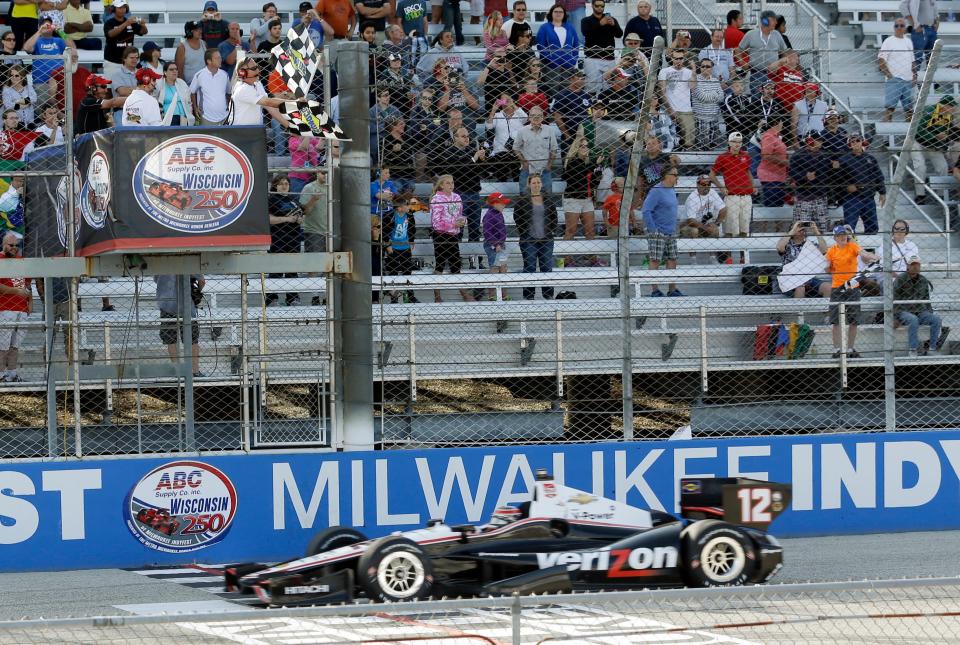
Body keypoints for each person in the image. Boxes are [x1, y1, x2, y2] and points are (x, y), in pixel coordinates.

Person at [826, 224, 878, 359]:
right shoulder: (831, 250)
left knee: (854, 320)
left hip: (852, 286)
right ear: (835, 237)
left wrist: (872, 256)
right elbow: (827, 268)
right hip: (837, 287)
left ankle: (850, 348)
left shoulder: (853, 246)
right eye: (839, 235)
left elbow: (863, 254)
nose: (843, 237)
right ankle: (837, 349)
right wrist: (828, 266)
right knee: (835, 321)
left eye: (844, 234)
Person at [429, 174, 474, 302]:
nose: (451, 185)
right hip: (440, 236)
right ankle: (437, 296)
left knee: (456, 265)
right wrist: (453, 224)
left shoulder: (457, 197)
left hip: (453, 235)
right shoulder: (436, 199)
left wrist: (461, 222)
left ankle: (464, 294)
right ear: (441, 185)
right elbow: (436, 223)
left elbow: (459, 215)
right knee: (440, 265)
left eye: (452, 182)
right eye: (448, 183)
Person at [514, 173, 558, 300]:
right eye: (534, 182)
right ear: (529, 184)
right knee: (530, 268)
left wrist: (552, 231)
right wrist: (524, 232)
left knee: (547, 268)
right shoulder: (522, 200)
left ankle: (548, 295)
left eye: (538, 182)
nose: (536, 185)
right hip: (529, 240)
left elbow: (553, 216)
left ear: (541, 184)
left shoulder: (548, 199)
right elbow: (517, 217)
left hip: (546, 239)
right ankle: (529, 296)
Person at [155, 273, 204, 377]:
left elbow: (156, 280)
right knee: (192, 339)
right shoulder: (190, 261)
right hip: (186, 306)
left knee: (171, 339)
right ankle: (195, 371)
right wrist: (197, 289)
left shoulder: (160, 263)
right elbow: (202, 281)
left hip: (166, 304)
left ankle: (178, 371)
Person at [642, 167, 682, 297]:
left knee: (672, 259)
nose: (677, 177)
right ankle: (655, 290)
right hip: (658, 231)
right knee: (655, 260)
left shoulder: (671, 190)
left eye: (677, 175)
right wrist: (653, 230)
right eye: (674, 174)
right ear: (666, 175)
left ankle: (672, 289)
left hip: (670, 231)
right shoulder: (656, 191)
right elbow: (646, 210)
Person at [894, 256, 944, 357]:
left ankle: (932, 348)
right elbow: (893, 298)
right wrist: (894, 316)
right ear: (908, 266)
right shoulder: (900, 279)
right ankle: (913, 349)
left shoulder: (923, 280)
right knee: (913, 320)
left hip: (920, 310)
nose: (915, 267)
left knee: (936, 319)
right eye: (913, 265)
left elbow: (926, 299)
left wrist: (930, 313)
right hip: (904, 310)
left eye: (917, 265)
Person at [442, 126, 485, 242]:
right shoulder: (449, 152)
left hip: (475, 193)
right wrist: (474, 159)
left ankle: (475, 258)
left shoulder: (471, 151)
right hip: (459, 195)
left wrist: (481, 160)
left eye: (468, 136)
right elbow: (459, 170)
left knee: (475, 230)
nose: (467, 139)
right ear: (455, 138)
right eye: (463, 136)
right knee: (457, 229)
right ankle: (458, 257)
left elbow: (480, 171)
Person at [266, 174, 303, 307]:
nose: (284, 186)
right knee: (276, 269)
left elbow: (301, 214)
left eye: (286, 183)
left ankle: (292, 298)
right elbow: (269, 219)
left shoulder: (293, 199)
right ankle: (271, 298)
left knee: (292, 269)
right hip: (278, 238)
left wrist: (299, 219)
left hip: (293, 238)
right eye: (281, 183)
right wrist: (287, 219)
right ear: (275, 186)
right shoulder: (271, 199)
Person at [838, 133, 885, 234]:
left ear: (862, 142)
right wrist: (846, 186)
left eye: (857, 141)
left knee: (873, 228)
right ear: (849, 144)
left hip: (868, 197)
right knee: (849, 228)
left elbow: (878, 176)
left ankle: (870, 250)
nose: (855, 143)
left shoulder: (871, 159)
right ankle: (850, 249)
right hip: (851, 198)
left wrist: (882, 192)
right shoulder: (843, 160)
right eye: (852, 141)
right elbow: (837, 178)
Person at [911, 95, 954, 204]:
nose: (953, 109)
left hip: (932, 144)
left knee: (943, 166)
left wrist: (946, 137)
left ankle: (941, 195)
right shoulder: (929, 110)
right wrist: (936, 136)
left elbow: (947, 132)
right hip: (916, 142)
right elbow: (918, 130)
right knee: (920, 166)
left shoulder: (949, 116)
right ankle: (920, 195)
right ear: (945, 106)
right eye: (951, 107)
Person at [0, 232, 31, 383]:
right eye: (10, 245)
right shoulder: (0, 259)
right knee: (3, 345)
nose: (14, 248)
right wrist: (17, 291)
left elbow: (27, 283)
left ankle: (12, 374)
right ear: (3, 244)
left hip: (21, 309)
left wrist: (29, 302)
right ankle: (1, 374)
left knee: (15, 345)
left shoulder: (21, 260)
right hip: (5, 308)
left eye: (16, 246)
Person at [735, 10, 786, 96]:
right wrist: (742, 63)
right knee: (757, 100)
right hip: (756, 74)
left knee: (773, 101)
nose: (776, 22)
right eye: (773, 20)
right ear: (765, 21)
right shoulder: (751, 34)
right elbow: (738, 50)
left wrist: (780, 64)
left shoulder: (777, 34)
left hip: (774, 75)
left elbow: (785, 52)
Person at [788, 131, 831, 232]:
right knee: (800, 229)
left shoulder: (824, 155)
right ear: (809, 141)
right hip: (804, 197)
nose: (819, 142)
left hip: (820, 196)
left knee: (822, 228)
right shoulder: (798, 155)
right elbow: (792, 173)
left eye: (820, 140)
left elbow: (829, 174)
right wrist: (805, 176)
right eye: (816, 140)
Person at [23, 17, 69, 108]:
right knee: (42, 111)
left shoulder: (59, 40)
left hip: (60, 81)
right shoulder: (36, 40)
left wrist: (61, 32)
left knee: (62, 111)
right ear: (39, 26)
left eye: (49, 25)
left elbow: (71, 46)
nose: (47, 27)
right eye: (44, 25)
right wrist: (40, 31)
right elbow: (27, 48)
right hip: (41, 82)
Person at [776, 220, 829, 298]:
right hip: (790, 279)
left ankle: (826, 310)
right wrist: (794, 229)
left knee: (827, 287)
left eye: (803, 229)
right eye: (799, 228)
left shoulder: (810, 244)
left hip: (808, 278)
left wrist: (816, 231)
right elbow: (779, 247)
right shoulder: (787, 244)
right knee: (800, 287)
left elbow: (824, 250)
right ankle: (799, 310)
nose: (802, 230)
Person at [536, 4, 580, 97]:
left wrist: (573, 60)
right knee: (553, 93)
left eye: (561, 12)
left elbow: (576, 44)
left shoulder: (570, 27)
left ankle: (564, 111)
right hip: (551, 67)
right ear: (551, 13)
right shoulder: (544, 27)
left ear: (564, 14)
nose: (558, 14)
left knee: (567, 93)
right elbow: (540, 46)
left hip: (568, 65)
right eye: (556, 11)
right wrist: (550, 60)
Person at [562, 136, 601, 240]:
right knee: (571, 231)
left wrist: (597, 175)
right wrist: (595, 164)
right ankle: (566, 256)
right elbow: (580, 172)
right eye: (581, 146)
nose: (584, 148)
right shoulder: (572, 162)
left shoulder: (588, 164)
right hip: (573, 200)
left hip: (587, 200)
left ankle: (591, 256)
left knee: (590, 231)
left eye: (586, 146)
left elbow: (592, 184)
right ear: (576, 148)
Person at [581, 0, 622, 94]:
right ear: (592, 6)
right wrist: (600, 24)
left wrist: (614, 25)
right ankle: (590, 107)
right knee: (591, 87)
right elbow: (585, 32)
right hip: (592, 58)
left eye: (602, 6)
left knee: (609, 87)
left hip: (609, 58)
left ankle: (607, 108)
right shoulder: (586, 20)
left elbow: (619, 34)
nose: (600, 8)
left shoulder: (611, 19)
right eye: (597, 5)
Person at [878, 19, 916, 123]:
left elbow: (912, 60)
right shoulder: (889, 41)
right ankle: (886, 138)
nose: (899, 28)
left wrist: (914, 75)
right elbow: (881, 59)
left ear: (905, 28)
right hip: (895, 79)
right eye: (897, 26)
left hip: (907, 80)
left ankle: (909, 137)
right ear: (894, 27)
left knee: (909, 110)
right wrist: (890, 76)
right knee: (890, 109)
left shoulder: (908, 41)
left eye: (901, 25)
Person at [514, 106, 558, 194]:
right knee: (525, 197)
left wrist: (549, 165)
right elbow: (515, 148)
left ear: (542, 117)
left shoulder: (549, 130)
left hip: (544, 170)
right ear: (529, 117)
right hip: (527, 170)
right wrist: (524, 162)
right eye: (533, 115)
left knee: (547, 198)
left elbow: (554, 149)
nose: (536, 117)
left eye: (539, 115)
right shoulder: (522, 131)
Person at [657, 52, 696, 150]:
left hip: (686, 109)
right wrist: (669, 109)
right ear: (671, 59)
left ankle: (687, 159)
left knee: (689, 140)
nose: (678, 61)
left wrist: (694, 70)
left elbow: (693, 87)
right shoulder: (664, 71)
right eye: (676, 58)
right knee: (668, 138)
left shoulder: (688, 72)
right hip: (668, 108)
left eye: (681, 58)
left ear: (684, 59)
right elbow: (662, 91)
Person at [384, 195, 418, 304]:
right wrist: (387, 246)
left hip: (405, 247)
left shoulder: (409, 215)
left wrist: (411, 240)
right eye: (406, 205)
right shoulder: (391, 216)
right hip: (393, 248)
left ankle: (410, 296)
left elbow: (412, 228)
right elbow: (384, 232)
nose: (409, 206)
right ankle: (394, 298)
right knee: (393, 272)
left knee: (407, 272)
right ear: (399, 208)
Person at [485, 92, 526, 180]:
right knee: (501, 174)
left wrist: (513, 105)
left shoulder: (518, 114)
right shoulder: (497, 115)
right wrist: (493, 110)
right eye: (502, 100)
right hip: (501, 151)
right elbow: (489, 126)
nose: (505, 102)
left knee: (518, 176)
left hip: (517, 151)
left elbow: (525, 118)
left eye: (507, 100)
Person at [103, 0, 147, 76]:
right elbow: (110, 34)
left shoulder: (130, 22)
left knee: (129, 86)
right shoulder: (109, 22)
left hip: (128, 63)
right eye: (120, 7)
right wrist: (125, 24)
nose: (122, 10)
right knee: (110, 86)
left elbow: (143, 32)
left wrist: (143, 25)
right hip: (112, 62)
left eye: (124, 7)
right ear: (114, 9)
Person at [551, 70, 590, 154]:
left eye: (583, 77)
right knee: (569, 163)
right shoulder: (562, 95)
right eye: (579, 76)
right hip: (570, 136)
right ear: (571, 79)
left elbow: (589, 114)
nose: (582, 78)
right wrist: (567, 135)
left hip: (585, 137)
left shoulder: (586, 95)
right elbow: (557, 117)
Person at [190, 49, 231, 125]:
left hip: (225, 117)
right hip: (206, 117)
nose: (220, 60)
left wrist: (227, 108)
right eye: (217, 58)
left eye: (220, 58)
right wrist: (195, 108)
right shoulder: (199, 75)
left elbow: (229, 93)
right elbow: (192, 92)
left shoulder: (225, 75)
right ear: (209, 61)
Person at [691, 57, 723, 150]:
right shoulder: (695, 80)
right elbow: (702, 97)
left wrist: (710, 95)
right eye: (703, 66)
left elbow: (721, 97)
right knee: (702, 148)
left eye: (708, 66)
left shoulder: (715, 80)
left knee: (713, 147)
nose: (705, 68)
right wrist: (714, 94)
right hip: (701, 119)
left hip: (714, 118)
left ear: (712, 68)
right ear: (699, 68)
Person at [482, 192, 509, 299]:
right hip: (493, 246)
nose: (504, 205)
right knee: (494, 268)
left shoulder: (498, 213)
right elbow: (487, 232)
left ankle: (504, 295)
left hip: (501, 245)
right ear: (494, 203)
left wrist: (500, 243)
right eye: (502, 203)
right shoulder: (489, 215)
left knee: (503, 268)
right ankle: (492, 296)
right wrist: (496, 244)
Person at [757, 116, 789, 207]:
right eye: (781, 122)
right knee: (772, 206)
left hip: (779, 176)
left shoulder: (776, 136)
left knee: (778, 206)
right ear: (776, 123)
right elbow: (766, 155)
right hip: (770, 177)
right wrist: (785, 162)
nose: (782, 124)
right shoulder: (768, 136)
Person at [680, 174, 724, 239]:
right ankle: (693, 249)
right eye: (703, 184)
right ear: (697, 185)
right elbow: (691, 221)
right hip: (688, 225)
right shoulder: (692, 198)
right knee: (694, 231)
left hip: (704, 224)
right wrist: (706, 228)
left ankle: (713, 249)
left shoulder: (712, 192)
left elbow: (724, 209)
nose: (706, 186)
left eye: (708, 184)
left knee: (715, 229)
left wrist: (716, 223)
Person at [768, 49, 806, 113]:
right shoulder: (780, 69)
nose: (798, 59)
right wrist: (781, 61)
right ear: (787, 58)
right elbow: (771, 69)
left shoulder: (799, 73)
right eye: (795, 57)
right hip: (781, 107)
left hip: (796, 108)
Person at [902, 0, 937, 68]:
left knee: (932, 58)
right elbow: (902, 6)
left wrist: (936, 22)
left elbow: (934, 8)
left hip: (931, 29)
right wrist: (914, 23)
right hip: (920, 29)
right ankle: (913, 77)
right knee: (917, 57)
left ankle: (929, 78)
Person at [791, 83, 827, 149]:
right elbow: (793, 124)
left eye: (811, 90)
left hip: (819, 136)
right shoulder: (797, 105)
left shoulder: (824, 105)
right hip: (803, 136)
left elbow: (824, 120)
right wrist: (795, 140)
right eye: (807, 90)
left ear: (816, 92)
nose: (808, 92)